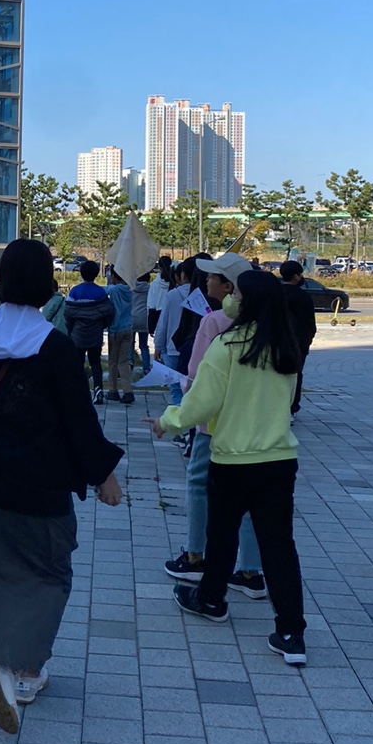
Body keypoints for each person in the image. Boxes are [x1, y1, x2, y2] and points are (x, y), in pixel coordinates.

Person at [0, 238, 124, 732]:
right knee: (48, 574)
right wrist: (103, 475)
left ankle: (9, 660)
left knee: (2, 573)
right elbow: (79, 421)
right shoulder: (55, 347)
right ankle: (22, 672)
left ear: (1, 282)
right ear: (46, 283)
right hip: (41, 484)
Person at [149, 270, 308, 665]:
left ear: (247, 301)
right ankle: (291, 632)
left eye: (236, 291)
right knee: (279, 545)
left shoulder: (227, 345)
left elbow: (202, 402)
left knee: (222, 535)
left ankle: (211, 599)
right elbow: (287, 401)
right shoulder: (286, 347)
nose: (230, 297)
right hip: (279, 460)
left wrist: (168, 421)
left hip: (233, 459)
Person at [162, 251, 265, 599]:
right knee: (249, 498)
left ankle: (195, 555)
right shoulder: (269, 325)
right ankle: (250, 571)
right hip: (254, 425)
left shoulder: (215, 322)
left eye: (213, 276)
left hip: (213, 423)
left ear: (229, 287)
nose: (206, 280)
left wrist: (180, 413)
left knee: (198, 484)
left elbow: (195, 375)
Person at [155, 255, 213, 406]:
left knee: (176, 389)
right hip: (199, 348)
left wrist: (158, 345)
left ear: (183, 275)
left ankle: (178, 415)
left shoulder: (173, 295)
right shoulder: (208, 296)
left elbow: (163, 322)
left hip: (172, 348)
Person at [63, 261, 114, 405]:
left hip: (78, 335)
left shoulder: (74, 292)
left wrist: (70, 329)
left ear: (81, 273)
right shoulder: (101, 292)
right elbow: (109, 312)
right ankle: (98, 390)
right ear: (96, 274)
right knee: (95, 363)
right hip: (95, 334)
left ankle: (77, 392)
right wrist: (102, 325)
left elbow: (68, 314)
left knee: (77, 364)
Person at [279, 261, 317, 415]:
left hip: (275, 341)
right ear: (296, 276)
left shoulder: (276, 294)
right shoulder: (303, 296)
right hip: (297, 344)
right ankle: (292, 408)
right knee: (295, 375)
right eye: (300, 274)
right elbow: (309, 323)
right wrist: (306, 342)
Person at [105, 269, 134, 404]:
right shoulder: (130, 289)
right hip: (128, 327)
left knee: (113, 361)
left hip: (116, 329)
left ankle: (113, 390)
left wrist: (112, 330)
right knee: (124, 361)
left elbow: (116, 311)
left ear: (114, 275)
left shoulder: (115, 291)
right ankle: (128, 391)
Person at [133, 271, 152, 377]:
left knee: (130, 343)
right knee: (144, 345)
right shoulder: (150, 289)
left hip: (132, 318)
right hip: (145, 319)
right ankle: (146, 368)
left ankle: (130, 363)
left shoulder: (131, 288)